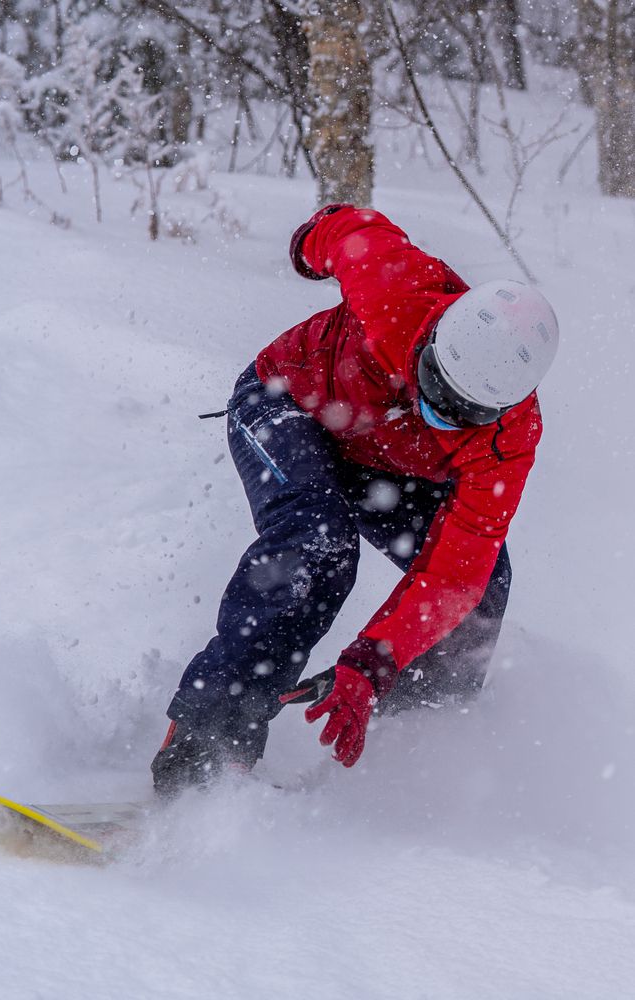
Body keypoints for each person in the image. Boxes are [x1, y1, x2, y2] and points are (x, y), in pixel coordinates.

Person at [151, 204, 559, 795]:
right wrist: (307, 245)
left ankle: (416, 742)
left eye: (461, 413)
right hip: (288, 406)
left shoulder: (507, 442)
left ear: (502, 408)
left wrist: (372, 663)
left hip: (386, 468)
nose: (438, 412)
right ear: (435, 340)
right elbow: (347, 227)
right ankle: (210, 737)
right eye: (434, 383)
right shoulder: (400, 288)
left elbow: (455, 574)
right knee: (320, 543)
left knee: (483, 588)